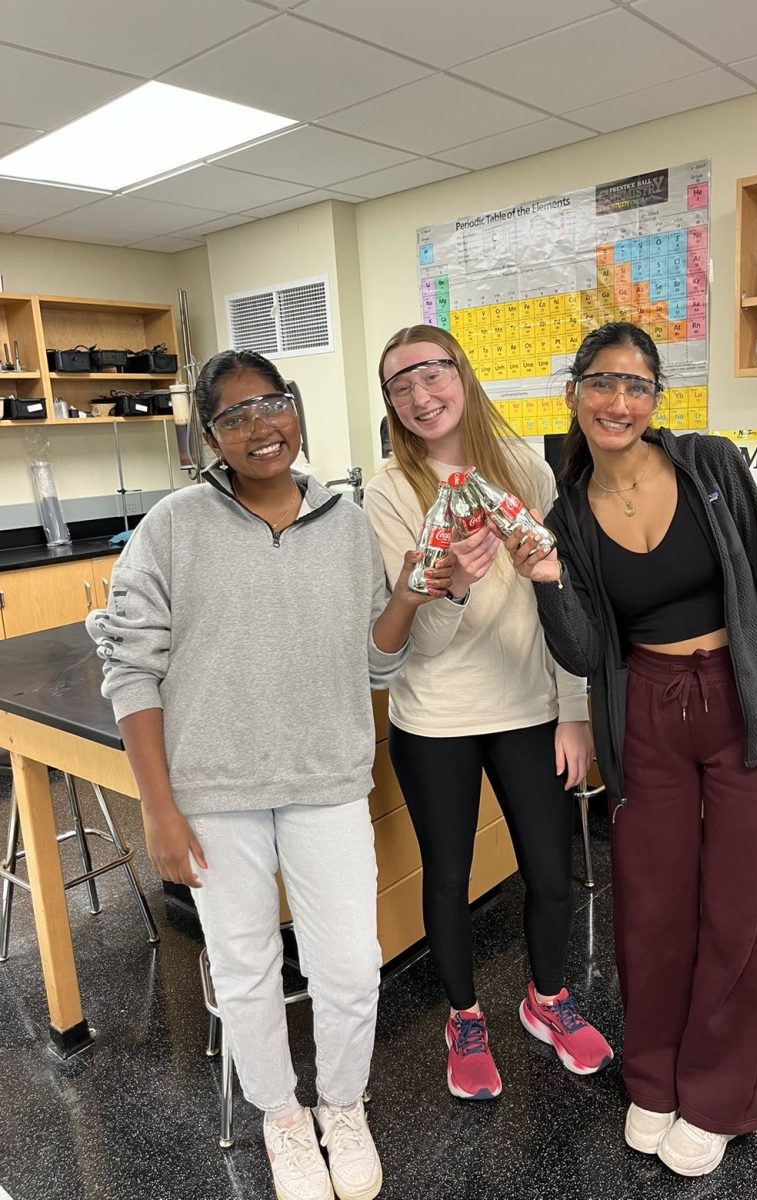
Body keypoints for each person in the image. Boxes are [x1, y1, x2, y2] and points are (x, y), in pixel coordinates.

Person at [87, 350, 453, 1200]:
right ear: (208, 438)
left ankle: (341, 1106)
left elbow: (373, 660)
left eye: (274, 404)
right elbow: (130, 669)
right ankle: (282, 1121)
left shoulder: (347, 521)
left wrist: (405, 596)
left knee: (350, 966)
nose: (261, 426)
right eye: (236, 415)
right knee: (247, 967)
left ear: (296, 410)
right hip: (215, 794)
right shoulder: (174, 526)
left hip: (327, 779)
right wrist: (159, 811)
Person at [505, 322, 757, 1176]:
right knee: (653, 904)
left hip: (747, 702)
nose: (617, 401)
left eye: (636, 385)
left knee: (746, 906)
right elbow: (586, 652)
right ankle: (656, 1078)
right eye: (601, 383)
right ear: (574, 394)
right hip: (650, 709)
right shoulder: (566, 517)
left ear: (656, 397)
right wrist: (548, 582)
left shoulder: (710, 467)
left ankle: (717, 1094)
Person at [363, 325, 614, 1103]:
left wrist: (571, 710)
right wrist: (453, 584)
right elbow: (415, 648)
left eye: (432, 374)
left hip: (527, 706)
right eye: (399, 385)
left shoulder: (523, 469)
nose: (419, 395)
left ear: (462, 376)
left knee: (550, 869)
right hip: (435, 715)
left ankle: (547, 999)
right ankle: (463, 1017)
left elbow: (557, 602)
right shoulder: (388, 493)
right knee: (448, 876)